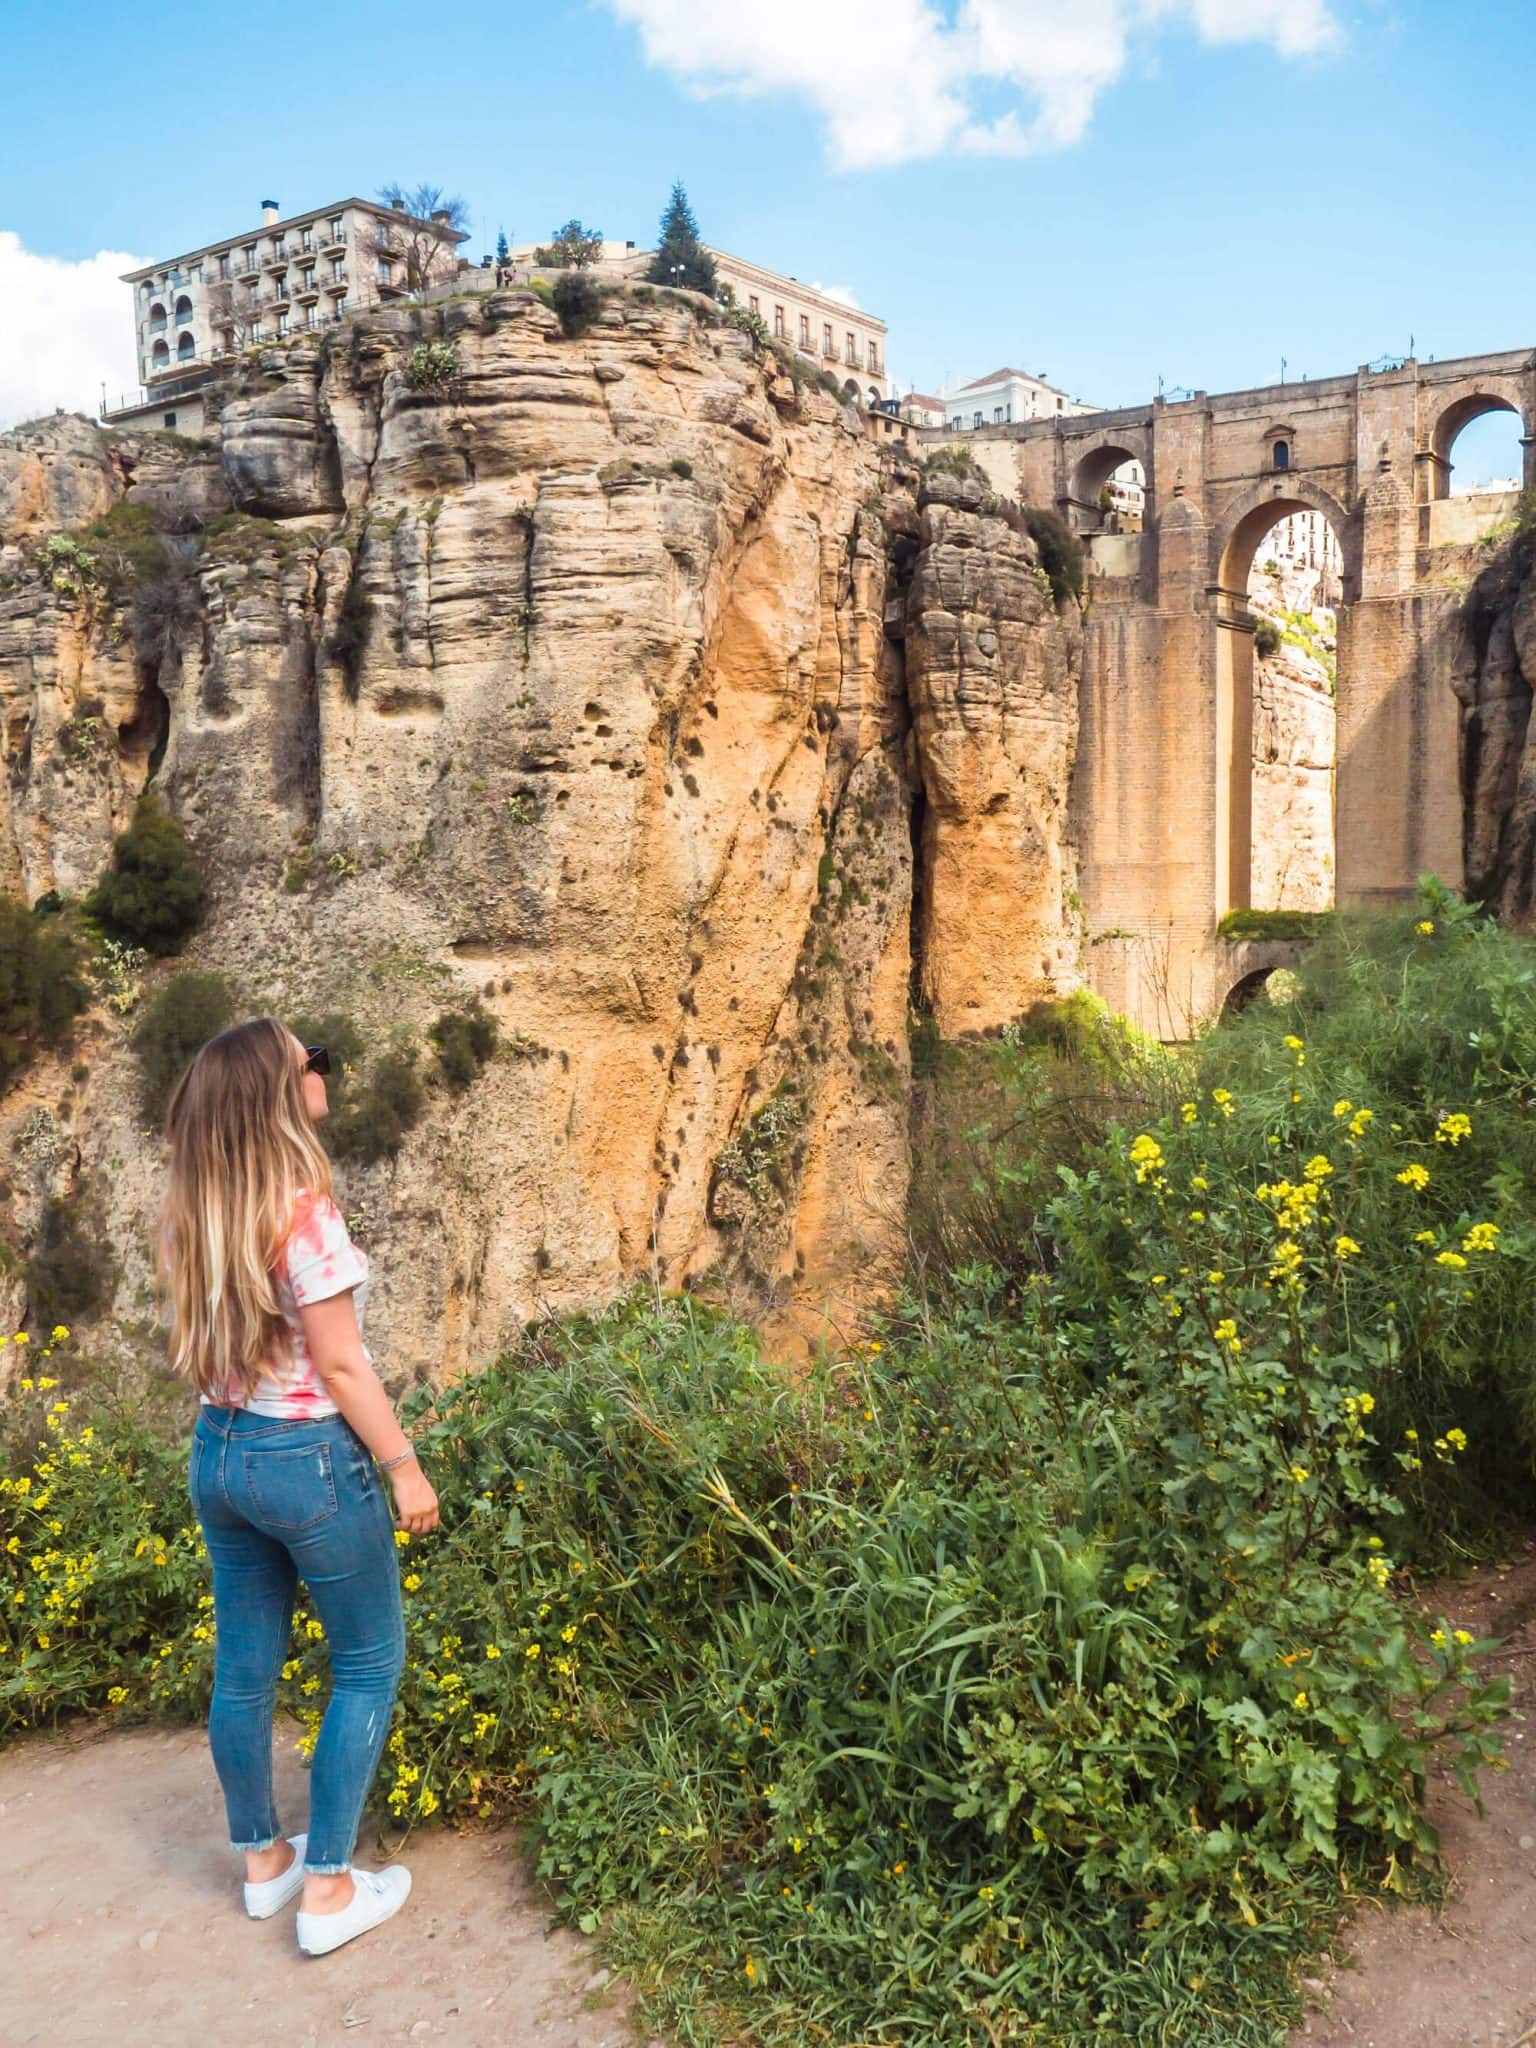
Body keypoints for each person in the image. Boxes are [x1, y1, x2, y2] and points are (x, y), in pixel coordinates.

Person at [161, 1019, 439, 1956]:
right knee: (367, 1662)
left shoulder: (200, 1211)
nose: (324, 1065)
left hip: (219, 1451)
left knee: (244, 1670)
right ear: (278, 1092)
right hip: (304, 1460)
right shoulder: (303, 1214)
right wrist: (405, 1468)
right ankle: (327, 1892)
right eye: (309, 1058)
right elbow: (343, 1367)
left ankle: (265, 1865)